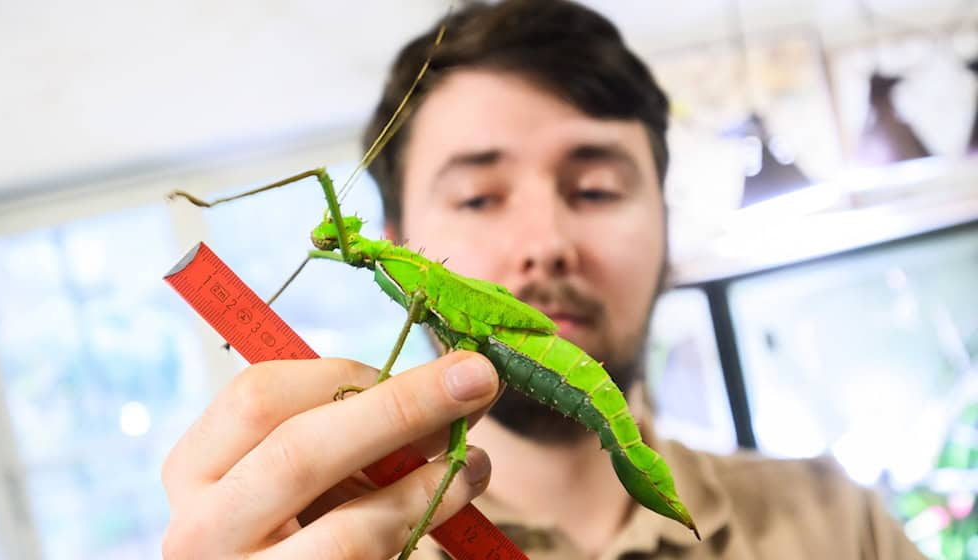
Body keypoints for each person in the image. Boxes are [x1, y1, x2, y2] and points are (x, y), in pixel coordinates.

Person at [161, 1, 926, 558]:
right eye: (478, 197)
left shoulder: (842, 527)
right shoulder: (332, 539)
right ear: (394, 235)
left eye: (593, 188)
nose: (546, 244)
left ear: (668, 221)